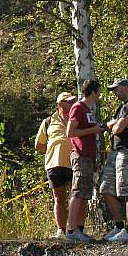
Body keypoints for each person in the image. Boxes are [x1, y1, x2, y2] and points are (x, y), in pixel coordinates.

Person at [100, 79, 128, 242]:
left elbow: (116, 128)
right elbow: (111, 126)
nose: (114, 92)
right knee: (106, 188)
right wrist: (114, 125)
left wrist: (114, 125)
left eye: (116, 89)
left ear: (126, 87)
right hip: (115, 152)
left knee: (126, 189)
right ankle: (119, 226)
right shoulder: (121, 107)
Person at [65, 79, 105, 242]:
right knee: (78, 190)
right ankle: (71, 229)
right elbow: (70, 132)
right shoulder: (78, 107)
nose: (99, 95)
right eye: (99, 92)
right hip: (80, 155)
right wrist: (93, 130)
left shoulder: (89, 109)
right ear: (93, 92)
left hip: (89, 156)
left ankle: (79, 229)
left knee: (85, 192)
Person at [34, 92, 76, 240]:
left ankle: (74, 230)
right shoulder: (48, 121)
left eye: (72, 101)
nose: (71, 104)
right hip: (54, 164)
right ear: (60, 104)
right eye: (68, 102)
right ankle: (61, 230)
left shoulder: (76, 118)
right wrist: (52, 149)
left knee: (76, 197)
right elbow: (39, 145)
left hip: (75, 163)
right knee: (59, 198)